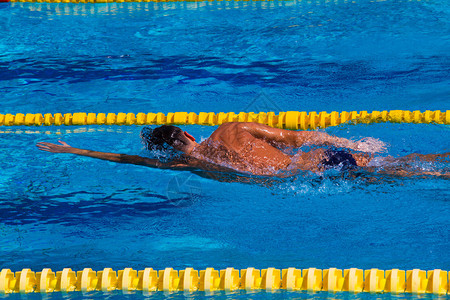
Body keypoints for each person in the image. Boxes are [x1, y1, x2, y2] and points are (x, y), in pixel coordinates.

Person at [36, 122, 449, 178]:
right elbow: (297, 136)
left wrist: (75, 150)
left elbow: (129, 160)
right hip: (319, 161)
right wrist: (352, 143)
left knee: (405, 174)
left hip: (305, 179)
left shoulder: (185, 165)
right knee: (408, 163)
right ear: (185, 132)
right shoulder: (232, 128)